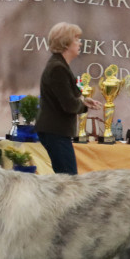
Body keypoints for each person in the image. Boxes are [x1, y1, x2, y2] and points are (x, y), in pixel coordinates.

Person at [34, 22, 102, 175]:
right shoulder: (58, 68)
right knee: (69, 181)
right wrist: (82, 105)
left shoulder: (59, 65)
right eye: (76, 39)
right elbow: (69, 105)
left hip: (55, 131)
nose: (80, 43)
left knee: (66, 179)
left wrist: (83, 100)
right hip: (55, 131)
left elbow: (66, 99)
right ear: (65, 43)